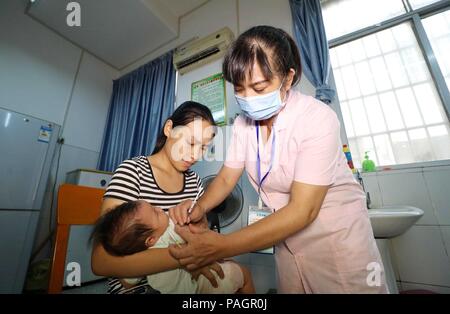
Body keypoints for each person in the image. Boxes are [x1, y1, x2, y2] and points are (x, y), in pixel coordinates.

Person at [168, 26, 389, 294]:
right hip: (286, 241)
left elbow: (303, 210)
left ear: (287, 79)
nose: (248, 98)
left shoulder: (317, 119)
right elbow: (226, 177)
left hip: (337, 240)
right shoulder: (242, 125)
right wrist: (199, 207)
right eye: (240, 88)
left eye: (259, 87)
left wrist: (220, 245)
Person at [91, 101, 228, 294]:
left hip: (187, 283)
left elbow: (201, 236)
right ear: (169, 128)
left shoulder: (194, 182)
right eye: (190, 142)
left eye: (204, 148)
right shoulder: (133, 172)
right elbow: (101, 262)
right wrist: (189, 257)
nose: (196, 155)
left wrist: (201, 234)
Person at [90, 200, 254, 294]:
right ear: (151, 239)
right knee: (244, 274)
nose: (160, 209)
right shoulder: (171, 229)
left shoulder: (139, 253)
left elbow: (127, 283)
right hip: (203, 285)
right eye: (155, 212)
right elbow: (200, 243)